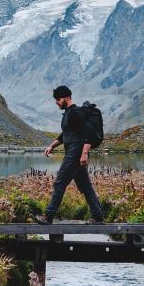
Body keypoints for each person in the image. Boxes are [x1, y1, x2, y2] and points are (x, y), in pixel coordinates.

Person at [36, 85, 104, 224]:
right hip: (74, 153)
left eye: (58, 99)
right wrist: (51, 146)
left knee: (60, 182)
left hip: (76, 153)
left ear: (67, 98)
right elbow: (64, 135)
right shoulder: (68, 113)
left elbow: (88, 132)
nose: (56, 102)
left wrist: (84, 153)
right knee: (86, 187)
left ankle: (48, 217)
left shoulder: (76, 112)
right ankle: (98, 217)